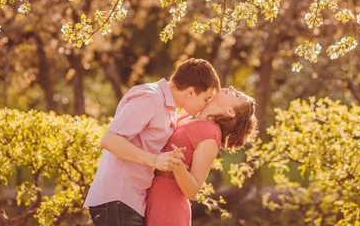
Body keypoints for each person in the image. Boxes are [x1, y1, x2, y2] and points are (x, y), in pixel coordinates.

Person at [84, 58, 221, 226]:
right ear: (191, 92)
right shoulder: (150, 97)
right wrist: (155, 160)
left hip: (132, 200)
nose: (204, 106)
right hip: (118, 198)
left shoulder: (169, 110)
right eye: (206, 99)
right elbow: (109, 140)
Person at [145, 85, 258, 226]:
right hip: (146, 194)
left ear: (230, 111)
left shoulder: (210, 135)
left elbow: (192, 190)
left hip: (168, 205)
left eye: (237, 95)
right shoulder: (187, 115)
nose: (232, 87)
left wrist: (178, 165)